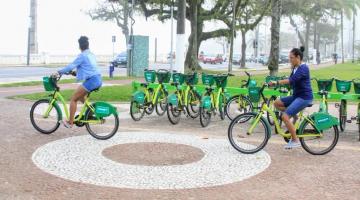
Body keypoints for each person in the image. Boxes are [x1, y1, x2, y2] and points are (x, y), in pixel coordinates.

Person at [53, 36, 102, 128]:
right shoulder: (91, 54)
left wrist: (58, 72)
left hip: (92, 81)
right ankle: (90, 111)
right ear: (88, 45)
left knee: (74, 99)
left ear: (79, 46)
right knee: (80, 97)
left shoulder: (82, 55)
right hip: (98, 79)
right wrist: (74, 73)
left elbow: (71, 66)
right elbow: (88, 69)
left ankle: (70, 122)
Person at [270, 46, 313, 149]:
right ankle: (294, 116)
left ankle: (295, 140)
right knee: (276, 103)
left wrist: (276, 82)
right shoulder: (295, 68)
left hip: (304, 97)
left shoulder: (304, 68)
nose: (290, 60)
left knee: (284, 116)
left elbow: (291, 80)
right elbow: (290, 80)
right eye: (289, 58)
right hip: (296, 96)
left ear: (298, 57)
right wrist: (279, 83)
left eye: (291, 58)